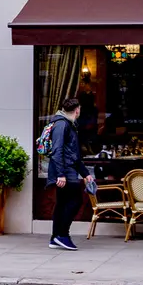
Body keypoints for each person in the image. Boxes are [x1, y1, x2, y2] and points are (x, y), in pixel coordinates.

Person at [47, 97, 94, 251]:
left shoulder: (67, 124)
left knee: (61, 204)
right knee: (76, 201)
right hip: (66, 172)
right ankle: (62, 235)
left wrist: (85, 173)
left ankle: (55, 238)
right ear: (77, 110)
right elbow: (57, 151)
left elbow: (73, 154)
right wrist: (60, 174)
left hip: (68, 170)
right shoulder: (62, 124)